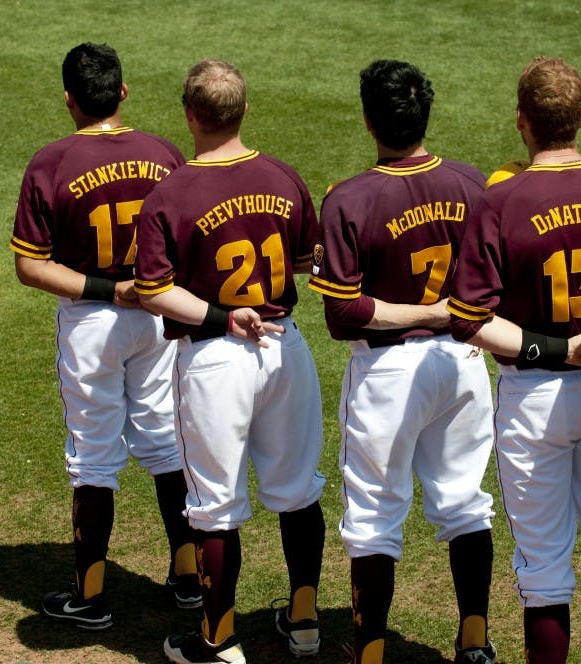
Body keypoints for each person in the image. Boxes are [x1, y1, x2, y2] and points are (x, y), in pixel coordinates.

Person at [447, 56, 581, 663]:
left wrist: (560, 348)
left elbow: (468, 320)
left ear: (521, 122)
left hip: (535, 398)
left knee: (543, 566)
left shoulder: (502, 199)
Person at [134, 59, 327, 664]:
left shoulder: (170, 194)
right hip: (285, 346)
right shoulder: (283, 176)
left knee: (214, 506)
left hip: (216, 359)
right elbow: (305, 260)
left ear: (189, 115)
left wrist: (220, 313)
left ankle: (218, 641)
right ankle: (303, 622)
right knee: (298, 492)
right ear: (244, 110)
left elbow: (154, 290)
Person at [308, 59, 496, 664]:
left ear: (368, 122)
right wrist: (450, 317)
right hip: (466, 366)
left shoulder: (349, 198)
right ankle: (473, 641)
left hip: (388, 375)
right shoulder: (474, 184)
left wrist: (428, 314)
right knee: (465, 502)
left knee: (372, 516)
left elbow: (343, 316)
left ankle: (368, 654)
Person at [10, 42, 198, 631]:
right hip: (162, 315)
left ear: (69, 100)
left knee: (93, 456)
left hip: (92, 321)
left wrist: (107, 289)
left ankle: (91, 597)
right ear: (122, 92)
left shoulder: (51, 163)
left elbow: (31, 266)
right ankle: (190, 578)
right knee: (167, 441)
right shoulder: (166, 154)